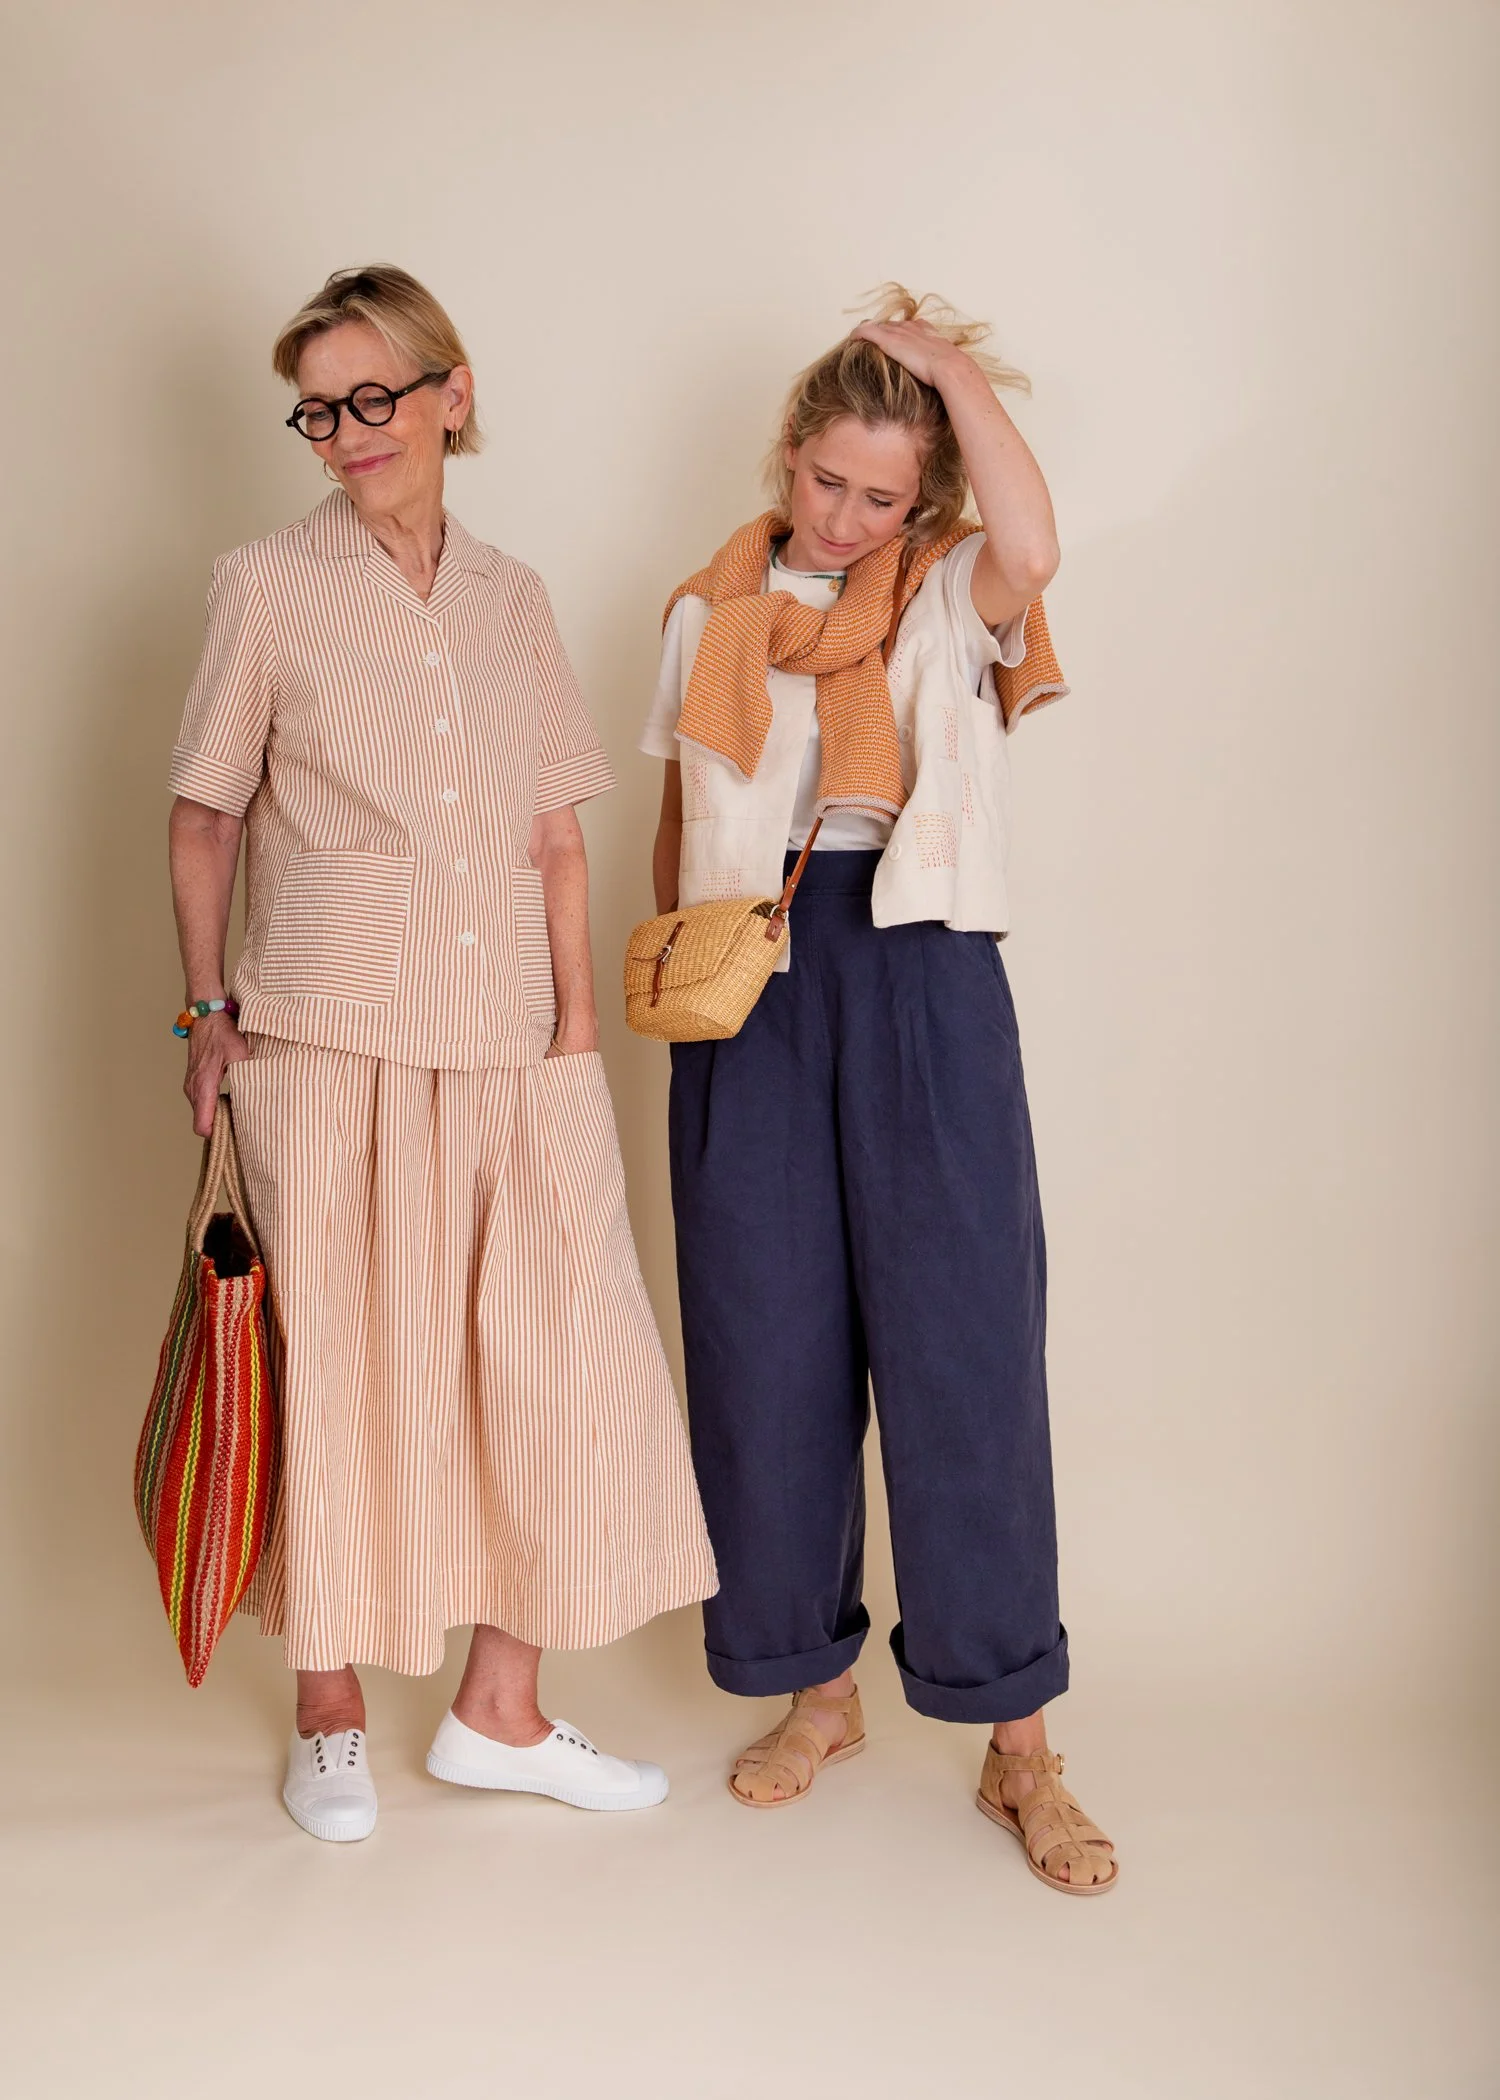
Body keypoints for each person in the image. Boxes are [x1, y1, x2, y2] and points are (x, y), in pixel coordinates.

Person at [168, 264, 715, 1842]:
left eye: (373, 397)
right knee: (339, 1372)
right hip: (321, 1036)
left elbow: (554, 834)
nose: (347, 432)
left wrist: (570, 1036)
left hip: (508, 1044)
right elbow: (205, 817)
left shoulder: (510, 596)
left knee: (557, 1359)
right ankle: (328, 1713)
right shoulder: (264, 584)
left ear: (450, 393)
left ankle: (500, 1712)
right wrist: (206, 1014)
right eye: (317, 411)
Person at [642, 288, 1116, 1893]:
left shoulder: (947, 593)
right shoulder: (707, 611)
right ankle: (816, 1695)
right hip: (747, 977)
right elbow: (679, 808)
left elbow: (1035, 546)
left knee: (964, 1346)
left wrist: (951, 370)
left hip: (922, 967)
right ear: (787, 454)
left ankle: (1020, 1748)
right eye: (827, 481)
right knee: (763, 1345)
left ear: (927, 501)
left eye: (883, 496)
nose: (846, 519)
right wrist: (679, 978)